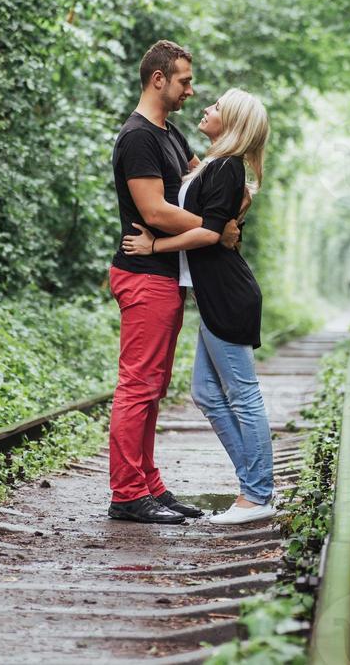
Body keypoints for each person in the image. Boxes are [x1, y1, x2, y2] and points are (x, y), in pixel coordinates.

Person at [122, 88, 275, 525]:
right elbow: (215, 215)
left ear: (233, 123)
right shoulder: (215, 165)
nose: (206, 109)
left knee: (243, 395)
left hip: (226, 293)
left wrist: (155, 246)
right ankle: (252, 486)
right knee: (206, 393)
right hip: (213, 292)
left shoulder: (226, 167)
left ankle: (257, 494)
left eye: (217, 108)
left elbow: (210, 234)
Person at [108, 40, 241, 525]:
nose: (191, 88)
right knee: (138, 386)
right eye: (185, 80)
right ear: (158, 79)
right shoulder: (139, 137)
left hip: (164, 277)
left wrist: (232, 199)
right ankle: (126, 494)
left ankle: (148, 486)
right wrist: (213, 227)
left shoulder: (171, 134)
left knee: (152, 386)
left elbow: (203, 179)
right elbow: (155, 211)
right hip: (143, 275)